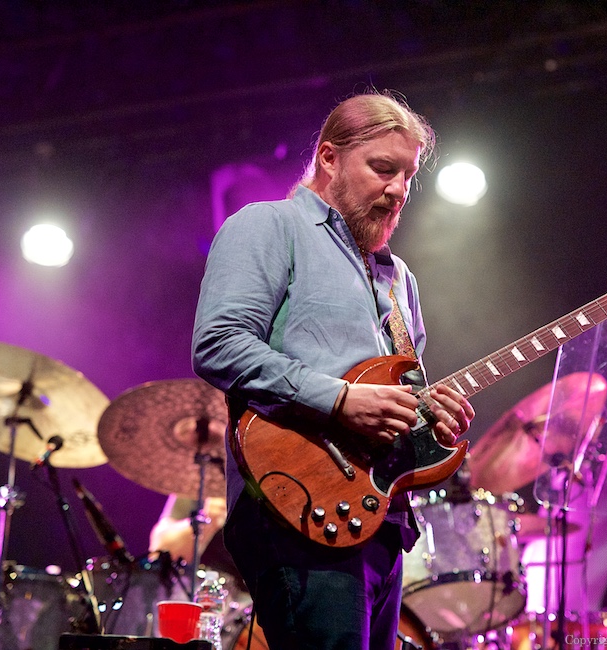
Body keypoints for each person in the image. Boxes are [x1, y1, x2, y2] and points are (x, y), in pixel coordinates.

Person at [192, 90, 475, 649]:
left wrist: (429, 417)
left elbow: (398, 394)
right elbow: (218, 344)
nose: (398, 190)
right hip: (295, 505)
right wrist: (342, 399)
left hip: (379, 518)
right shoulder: (269, 227)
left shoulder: (399, 280)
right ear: (329, 157)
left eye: (408, 176)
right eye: (382, 168)